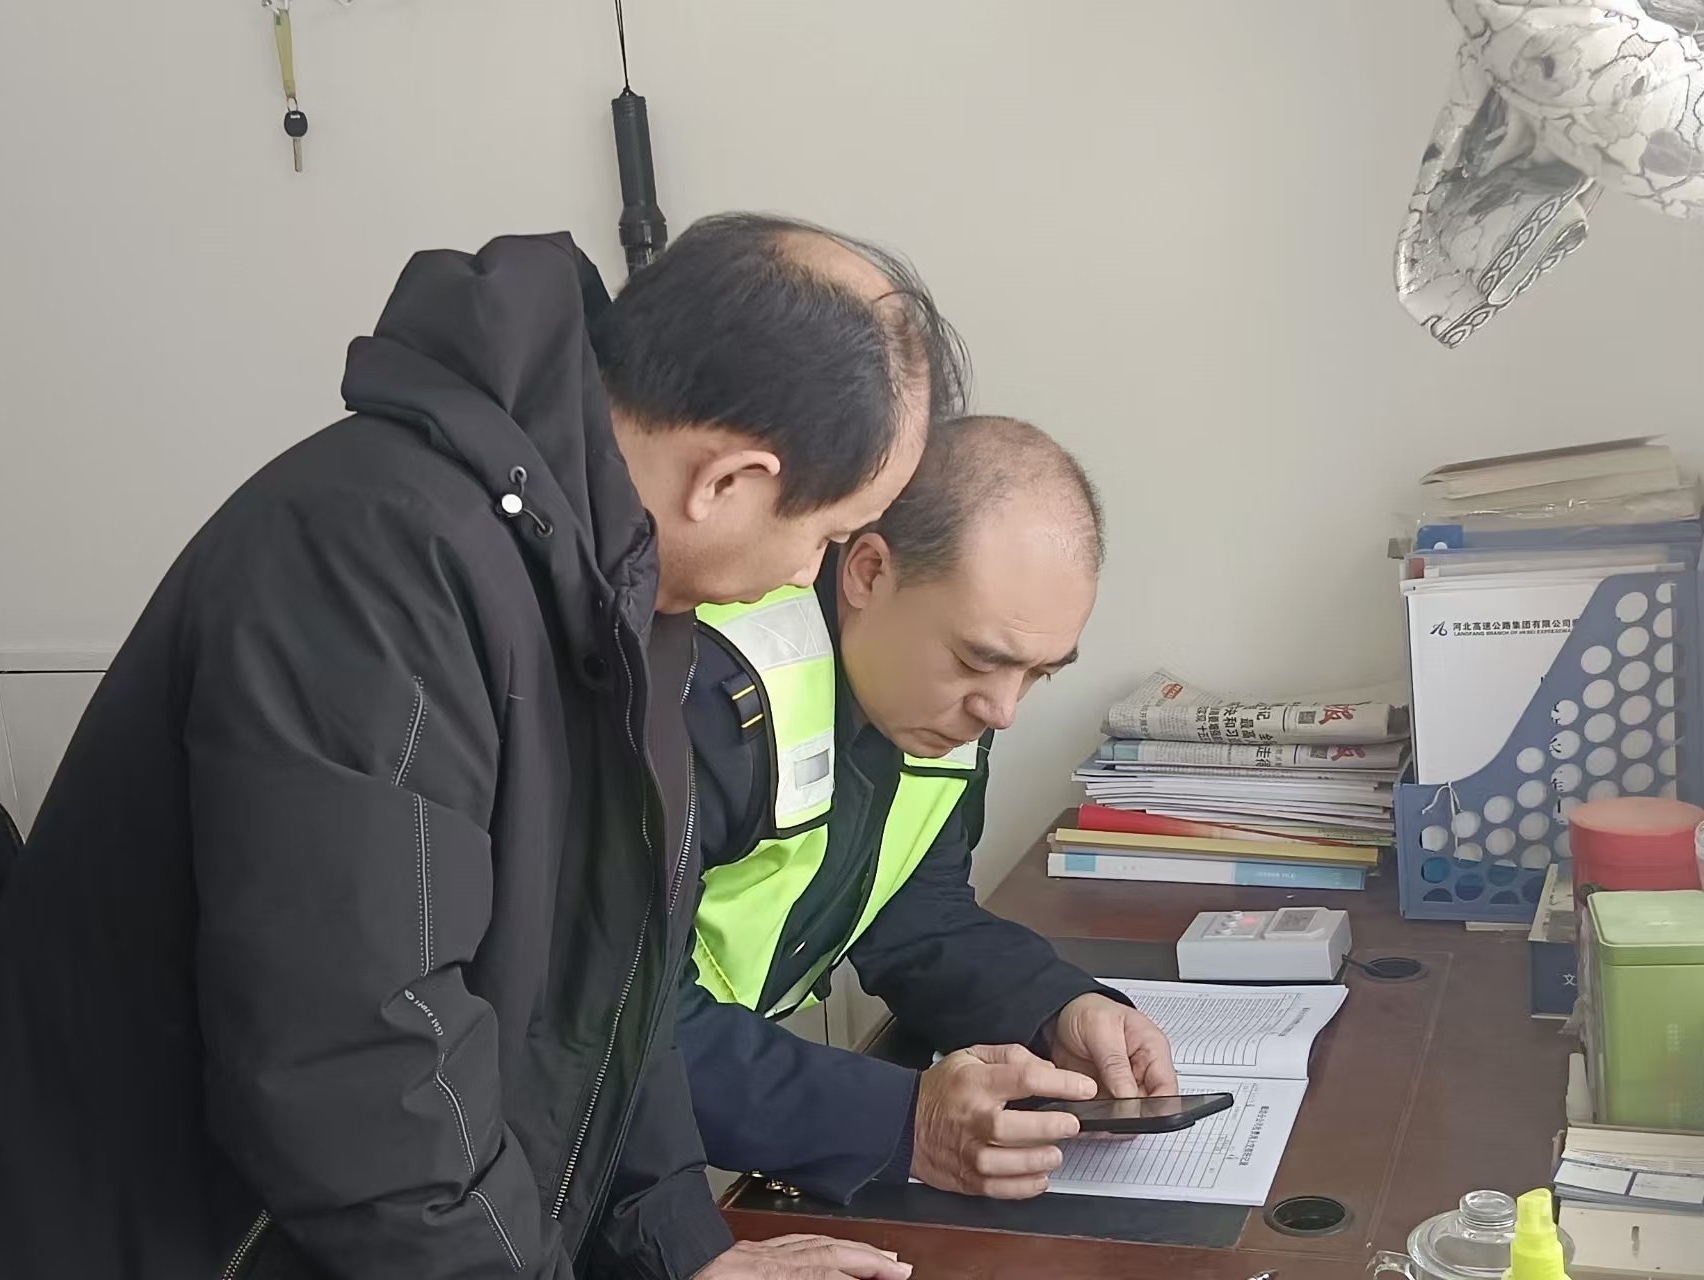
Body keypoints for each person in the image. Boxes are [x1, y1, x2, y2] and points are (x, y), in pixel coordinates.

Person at [0, 215, 968, 1280]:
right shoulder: (377, 558)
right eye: (826, 536)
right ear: (727, 480)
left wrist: (681, 1252)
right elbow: (366, 1074)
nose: (807, 576)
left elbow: (615, 993)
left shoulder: (624, 592)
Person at [680, 415, 1180, 1206]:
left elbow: (914, 910)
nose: (1002, 709)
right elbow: (617, 1023)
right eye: (979, 659)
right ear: (869, 572)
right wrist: (903, 1121)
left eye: (1038, 673)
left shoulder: (938, 702)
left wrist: (1056, 1007)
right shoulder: (710, 695)